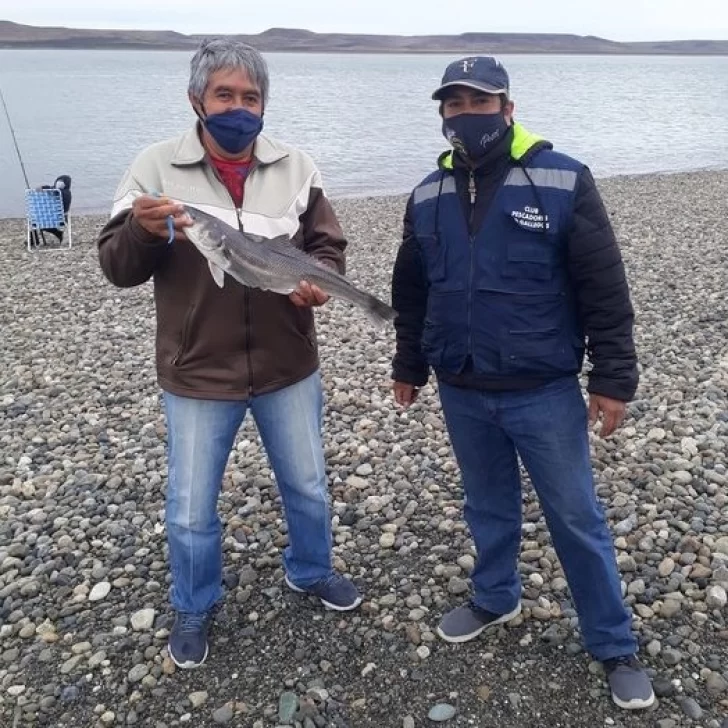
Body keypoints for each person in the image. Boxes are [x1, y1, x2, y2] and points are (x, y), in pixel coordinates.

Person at [391, 56, 654, 710]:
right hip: (461, 386)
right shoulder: (427, 192)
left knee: (576, 517)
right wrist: (408, 365)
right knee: (486, 506)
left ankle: (613, 641)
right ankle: (495, 598)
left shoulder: (563, 179)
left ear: (507, 109)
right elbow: (412, 290)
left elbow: (604, 287)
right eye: (453, 105)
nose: (466, 116)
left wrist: (614, 377)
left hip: (544, 392)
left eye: (479, 104)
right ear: (443, 115)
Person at [96, 37, 362, 670]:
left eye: (251, 96)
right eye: (225, 95)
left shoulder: (298, 167)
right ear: (197, 100)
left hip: (287, 364)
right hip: (196, 370)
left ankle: (311, 569)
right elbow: (115, 266)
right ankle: (194, 603)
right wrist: (140, 227)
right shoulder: (154, 168)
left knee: (308, 485)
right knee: (190, 508)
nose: (239, 107)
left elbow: (326, 248)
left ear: (264, 104)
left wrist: (317, 284)